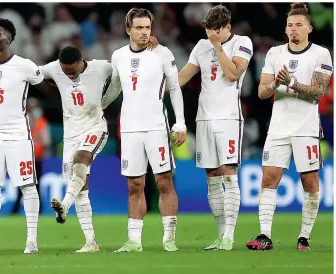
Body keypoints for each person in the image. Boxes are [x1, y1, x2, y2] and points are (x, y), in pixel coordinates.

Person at [0, 18, 59, 255]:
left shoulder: (24, 65)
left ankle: (31, 242)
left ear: (9, 38)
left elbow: (46, 86)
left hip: (18, 133)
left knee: (28, 185)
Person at [246, 2, 332, 251]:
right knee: (268, 179)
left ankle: (304, 236)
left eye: (298, 25)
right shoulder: (275, 53)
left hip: (306, 127)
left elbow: (317, 93)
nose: (293, 29)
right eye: (290, 25)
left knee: (310, 181)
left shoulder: (320, 54)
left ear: (309, 28)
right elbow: (263, 92)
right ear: (285, 29)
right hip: (278, 127)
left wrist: (292, 82)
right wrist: (275, 85)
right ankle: (264, 236)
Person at [102, 8, 186, 252]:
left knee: (164, 181)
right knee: (134, 185)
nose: (144, 32)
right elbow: (115, 88)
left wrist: (179, 123)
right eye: (139, 28)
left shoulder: (162, 53)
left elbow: (175, 88)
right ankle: (134, 241)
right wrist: (97, 109)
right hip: (129, 128)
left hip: (156, 127)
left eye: (147, 27)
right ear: (128, 30)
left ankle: (169, 239)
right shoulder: (118, 56)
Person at [176, 4, 253, 250]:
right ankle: (220, 235)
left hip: (229, 118)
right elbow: (180, 78)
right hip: (204, 119)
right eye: (208, 30)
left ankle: (230, 236)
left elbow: (233, 74)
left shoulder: (242, 42)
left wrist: (218, 47)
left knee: (228, 175)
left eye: (215, 30)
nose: (210, 35)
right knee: (211, 178)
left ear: (227, 28)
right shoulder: (201, 46)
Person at [43, 46, 112, 253]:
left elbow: (124, 66)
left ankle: (64, 204)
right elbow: (31, 71)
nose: (70, 75)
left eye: (73, 71)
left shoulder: (101, 68)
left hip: (95, 127)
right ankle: (91, 243)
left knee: (81, 159)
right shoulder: (54, 69)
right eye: (66, 72)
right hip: (70, 135)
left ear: (82, 61)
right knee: (81, 191)